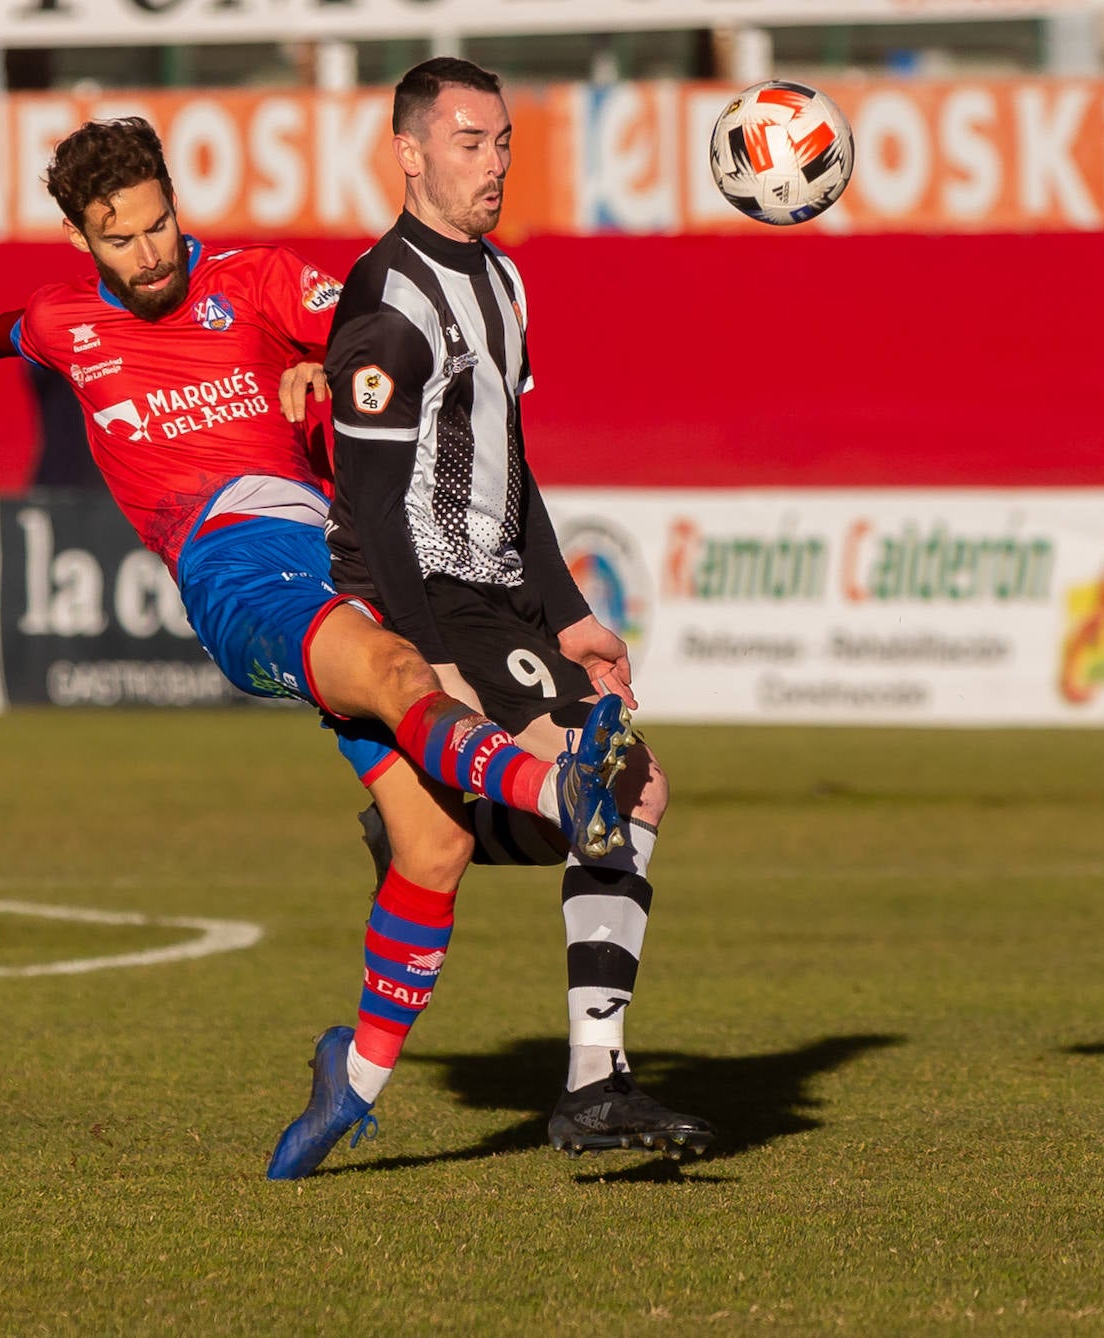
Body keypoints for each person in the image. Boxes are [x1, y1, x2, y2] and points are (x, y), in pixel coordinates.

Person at [0, 114, 636, 1177]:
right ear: (82, 241)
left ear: (177, 201)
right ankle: (558, 794)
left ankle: (350, 1082)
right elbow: (5, 331)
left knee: (433, 848)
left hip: (331, 550)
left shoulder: (253, 281)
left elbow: (365, 324)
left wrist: (324, 375)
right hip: (233, 573)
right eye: (120, 241)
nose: (151, 253)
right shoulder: (62, 320)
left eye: (162, 225)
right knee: (403, 674)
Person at [318, 58, 715, 1163]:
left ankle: (443, 821)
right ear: (407, 152)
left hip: (504, 604)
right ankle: (594, 1083)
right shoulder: (388, 300)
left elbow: (513, 468)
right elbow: (371, 504)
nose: (491, 164)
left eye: (500, 142)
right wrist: (428, 661)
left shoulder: (501, 280)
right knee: (624, 787)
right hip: (430, 599)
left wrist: (572, 614)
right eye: (465, 141)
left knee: (612, 795)